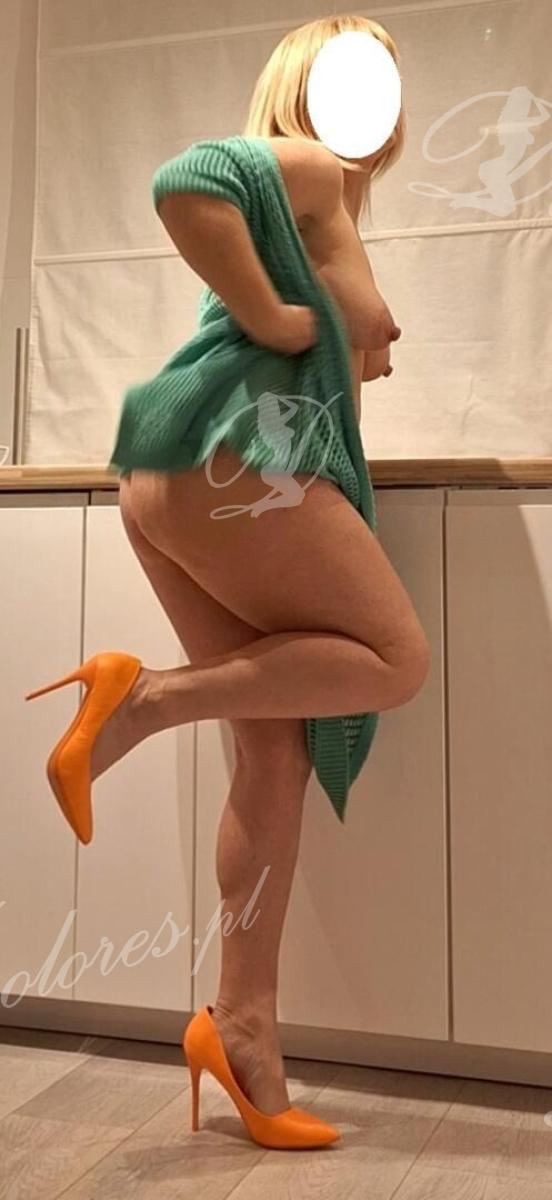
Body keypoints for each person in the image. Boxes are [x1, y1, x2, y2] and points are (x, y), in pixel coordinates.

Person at [26, 13, 430, 1149]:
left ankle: (241, 1029)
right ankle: (141, 700)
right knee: (394, 660)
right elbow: (184, 178)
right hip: (225, 462)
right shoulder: (308, 168)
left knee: (273, 755)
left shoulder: (310, 208)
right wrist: (272, 315)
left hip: (178, 471)